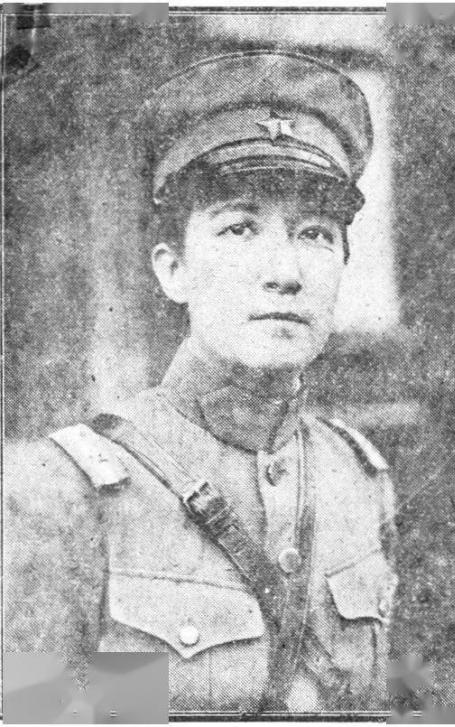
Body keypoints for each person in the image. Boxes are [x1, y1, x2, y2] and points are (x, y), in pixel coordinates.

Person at [5, 49, 398, 715]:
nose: (285, 272)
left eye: (314, 234)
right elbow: (30, 715)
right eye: (240, 227)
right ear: (172, 270)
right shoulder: (62, 491)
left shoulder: (358, 480)